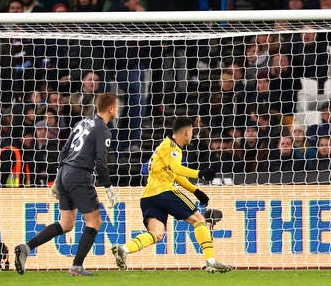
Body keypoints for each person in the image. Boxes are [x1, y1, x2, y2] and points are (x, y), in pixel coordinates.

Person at [14, 93, 121, 276]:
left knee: (66, 223)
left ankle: (27, 247)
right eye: (116, 106)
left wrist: (58, 179)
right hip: (80, 175)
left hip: (65, 172)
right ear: (111, 108)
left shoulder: (82, 123)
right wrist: (109, 189)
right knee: (95, 221)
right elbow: (101, 164)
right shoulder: (103, 130)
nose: (117, 109)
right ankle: (77, 267)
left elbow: (64, 150)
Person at [111, 117, 230, 273]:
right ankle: (211, 261)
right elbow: (176, 168)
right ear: (187, 132)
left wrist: (195, 191)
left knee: (157, 233)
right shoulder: (173, 148)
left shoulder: (164, 146)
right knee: (199, 220)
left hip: (148, 197)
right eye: (192, 131)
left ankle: (124, 249)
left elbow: (174, 174)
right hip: (164, 191)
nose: (192, 135)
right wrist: (200, 173)